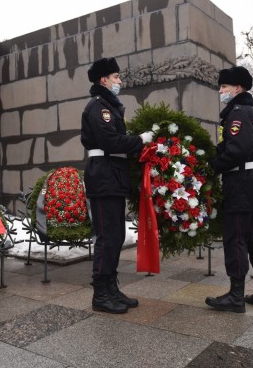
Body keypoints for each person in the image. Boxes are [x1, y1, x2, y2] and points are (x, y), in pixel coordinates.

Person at [80, 57, 153, 314]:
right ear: (104, 80)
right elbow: (111, 141)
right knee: (107, 236)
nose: (120, 81)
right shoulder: (99, 107)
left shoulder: (108, 105)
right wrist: (139, 140)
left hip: (112, 175)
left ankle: (111, 287)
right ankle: (101, 293)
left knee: (116, 236)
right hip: (103, 176)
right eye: (116, 77)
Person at [205, 66, 253, 313]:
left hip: (242, 182)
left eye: (224, 87)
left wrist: (212, 167)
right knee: (251, 235)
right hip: (249, 180)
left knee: (235, 237)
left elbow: (237, 150)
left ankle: (236, 295)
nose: (220, 91)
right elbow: (232, 147)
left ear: (237, 88)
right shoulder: (244, 112)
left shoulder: (238, 113)